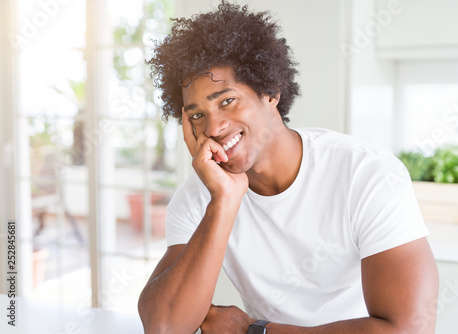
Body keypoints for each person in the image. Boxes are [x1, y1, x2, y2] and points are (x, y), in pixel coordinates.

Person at [138, 2, 439, 333]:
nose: (214, 127)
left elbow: (409, 329)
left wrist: (256, 331)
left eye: (227, 101)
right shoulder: (203, 196)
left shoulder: (365, 175)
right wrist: (224, 202)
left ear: (270, 92)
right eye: (197, 115)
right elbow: (164, 326)